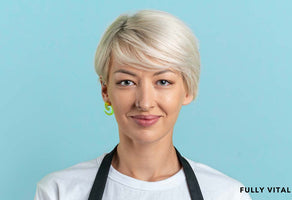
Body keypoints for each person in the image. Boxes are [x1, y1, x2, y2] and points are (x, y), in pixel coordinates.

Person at [34, 9, 252, 200]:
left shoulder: (227, 194)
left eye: (163, 81)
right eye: (127, 82)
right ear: (105, 91)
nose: (145, 102)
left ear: (188, 90)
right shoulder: (59, 192)